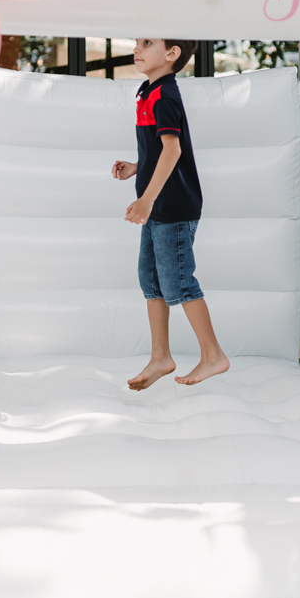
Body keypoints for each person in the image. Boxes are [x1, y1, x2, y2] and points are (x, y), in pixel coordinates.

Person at [112, 38, 229, 390]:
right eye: (136, 42)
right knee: (150, 278)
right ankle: (160, 356)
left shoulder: (165, 95)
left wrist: (145, 199)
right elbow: (158, 152)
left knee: (178, 280)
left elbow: (173, 150)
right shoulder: (147, 93)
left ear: (172, 53)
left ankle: (213, 356)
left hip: (172, 205)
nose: (137, 48)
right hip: (158, 205)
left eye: (147, 43)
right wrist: (137, 167)